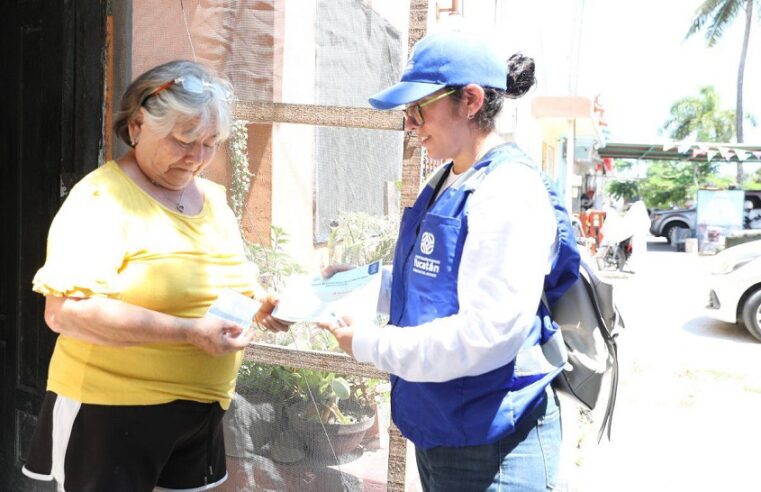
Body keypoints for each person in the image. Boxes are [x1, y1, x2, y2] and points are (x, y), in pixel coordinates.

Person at [320, 30, 580, 491]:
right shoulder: (447, 178)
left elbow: (487, 334)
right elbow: (435, 281)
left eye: (419, 108)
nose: (410, 123)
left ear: (472, 100)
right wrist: (365, 283)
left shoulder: (508, 193)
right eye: (407, 112)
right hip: (444, 426)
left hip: (495, 444)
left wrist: (369, 344)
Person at [22, 60, 288, 492]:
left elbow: (228, 282)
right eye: (184, 141)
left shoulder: (213, 201)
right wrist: (188, 332)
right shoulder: (102, 199)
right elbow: (66, 312)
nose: (197, 159)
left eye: (210, 144)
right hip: (111, 413)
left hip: (199, 413)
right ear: (138, 126)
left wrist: (261, 304)